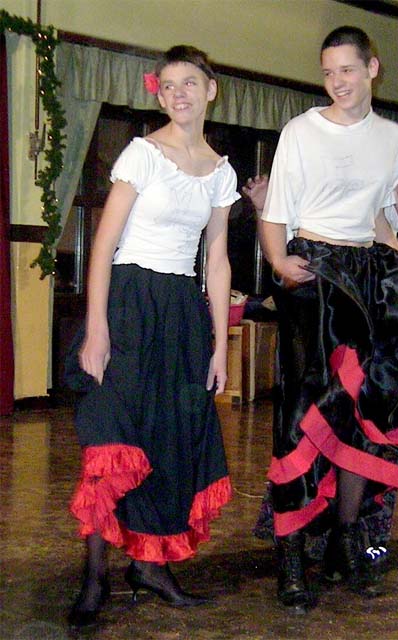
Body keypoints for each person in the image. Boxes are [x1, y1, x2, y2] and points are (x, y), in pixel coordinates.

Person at [257, 26, 398, 613]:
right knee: (303, 411)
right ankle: (290, 553)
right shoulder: (301, 131)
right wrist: (279, 260)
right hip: (315, 271)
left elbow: (380, 214)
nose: (337, 82)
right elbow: (277, 212)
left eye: (348, 70)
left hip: (366, 273)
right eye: (328, 72)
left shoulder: (392, 137)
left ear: (372, 68)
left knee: (363, 410)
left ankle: (344, 536)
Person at [65, 45, 238, 627]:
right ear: (158, 94)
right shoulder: (142, 154)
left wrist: (219, 344)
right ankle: (95, 575)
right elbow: (104, 245)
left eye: (190, 82)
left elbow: (217, 260)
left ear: (210, 89)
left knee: (171, 438)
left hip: (183, 313)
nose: (178, 93)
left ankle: (151, 565)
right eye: (168, 85)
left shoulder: (221, 171)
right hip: (129, 303)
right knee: (112, 437)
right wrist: (97, 329)